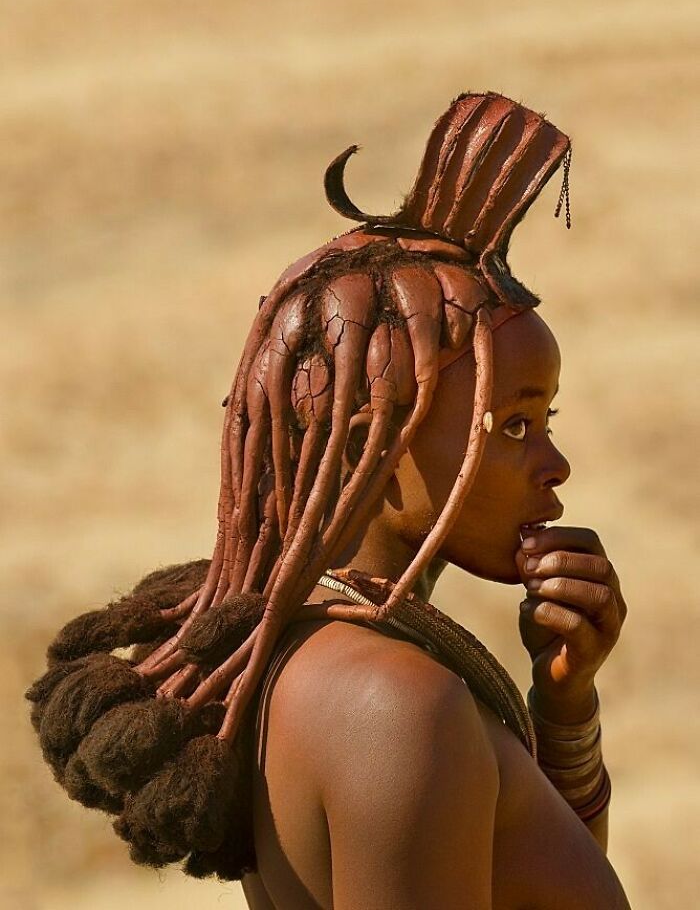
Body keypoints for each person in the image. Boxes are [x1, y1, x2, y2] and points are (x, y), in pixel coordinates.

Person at [27, 92, 630, 909]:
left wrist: (564, 706)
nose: (554, 464)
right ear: (366, 448)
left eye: (545, 421)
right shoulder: (394, 706)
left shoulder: (331, 660)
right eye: (513, 424)